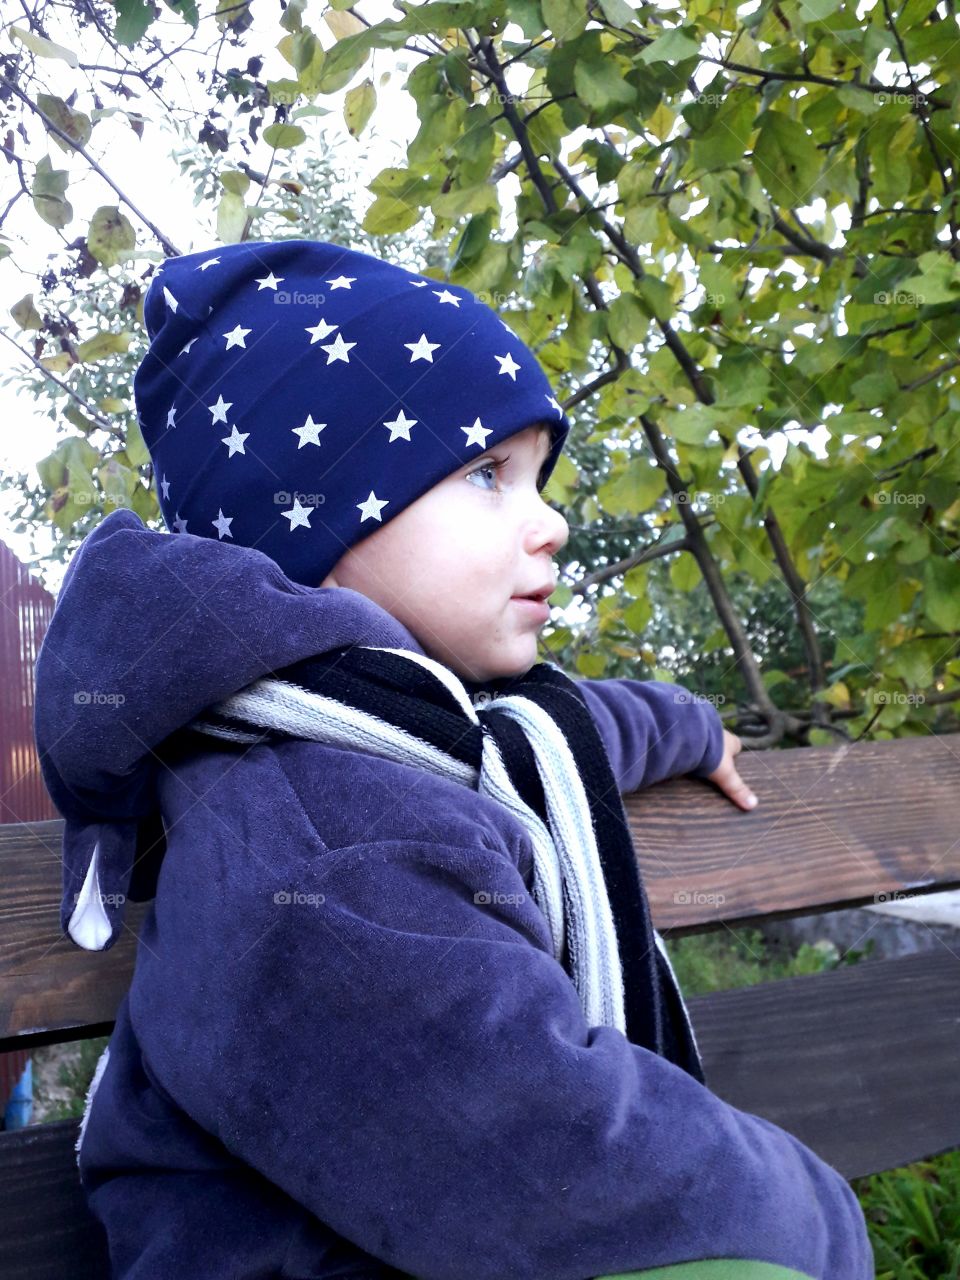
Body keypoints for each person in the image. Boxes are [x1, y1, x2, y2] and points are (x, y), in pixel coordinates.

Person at [33, 239, 874, 1279]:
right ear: (320, 526)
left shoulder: (427, 735)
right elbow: (567, 1163)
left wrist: (693, 726)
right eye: (489, 474)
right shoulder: (320, 848)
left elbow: (570, 732)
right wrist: (828, 1219)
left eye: (537, 477)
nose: (554, 523)